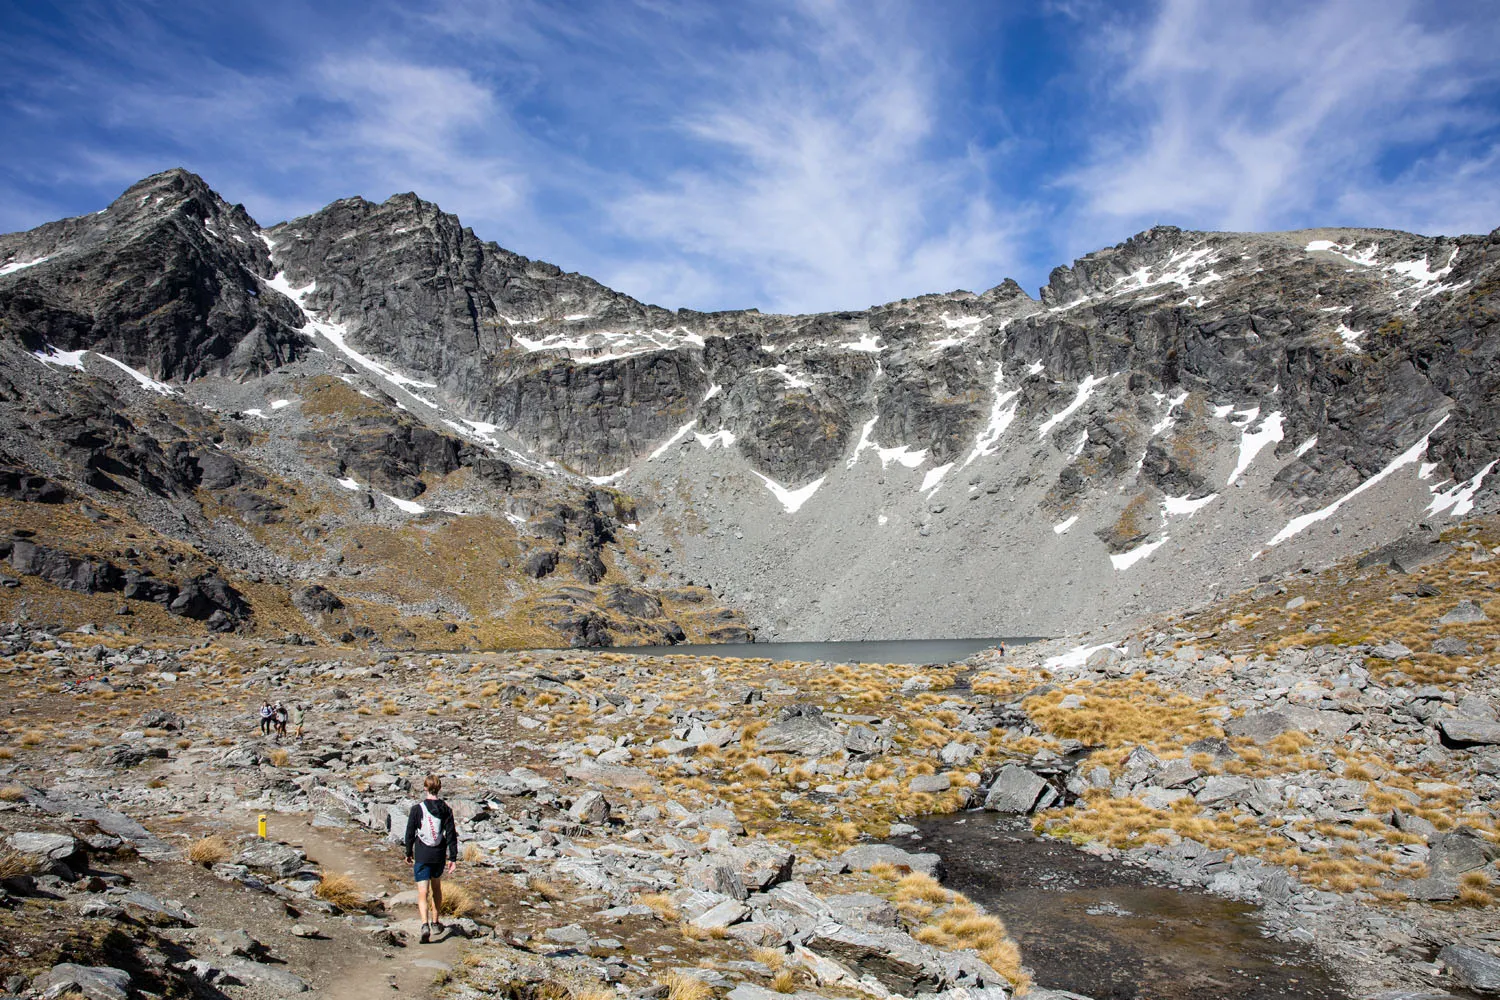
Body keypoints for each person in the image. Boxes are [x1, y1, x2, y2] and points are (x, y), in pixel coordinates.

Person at [404, 774, 458, 943]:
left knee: (422, 892)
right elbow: (450, 834)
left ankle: (424, 924)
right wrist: (453, 858)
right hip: (438, 854)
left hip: (422, 853)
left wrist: (408, 852)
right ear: (439, 788)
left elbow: (409, 833)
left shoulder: (417, 809)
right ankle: (435, 922)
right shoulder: (446, 809)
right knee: (436, 888)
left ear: (425, 788)